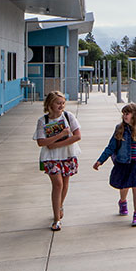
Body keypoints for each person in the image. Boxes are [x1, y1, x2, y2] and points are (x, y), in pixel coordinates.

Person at [93, 103, 136, 227]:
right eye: (123, 114)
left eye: (127, 113)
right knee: (123, 187)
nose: (124, 116)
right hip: (123, 162)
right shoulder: (120, 129)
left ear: (135, 115)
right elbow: (111, 147)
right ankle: (123, 201)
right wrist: (100, 160)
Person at [33, 91, 82, 231]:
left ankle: (59, 206)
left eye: (63, 103)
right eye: (58, 103)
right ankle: (57, 219)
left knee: (65, 184)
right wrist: (60, 135)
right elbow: (41, 142)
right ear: (50, 104)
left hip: (67, 154)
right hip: (51, 157)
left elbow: (77, 136)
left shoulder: (68, 116)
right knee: (58, 184)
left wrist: (56, 144)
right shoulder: (43, 121)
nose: (61, 106)